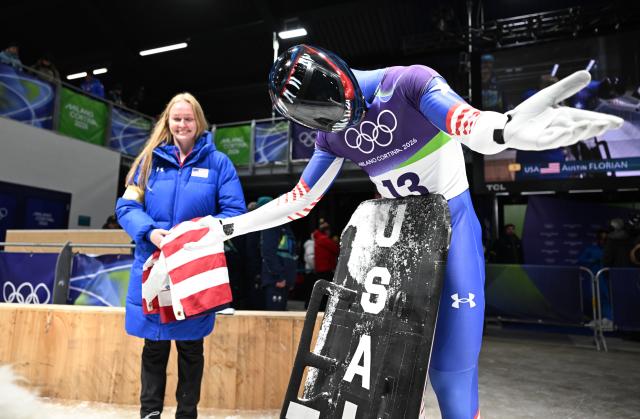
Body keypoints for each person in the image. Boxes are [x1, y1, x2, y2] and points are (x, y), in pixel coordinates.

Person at [168, 45, 622, 418]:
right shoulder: (332, 134)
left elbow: (468, 125)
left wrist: (503, 131)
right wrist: (225, 227)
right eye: (333, 126)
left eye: (346, 117)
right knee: (375, 376)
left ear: (344, 78)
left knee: (449, 372)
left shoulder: (409, 82)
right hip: (394, 245)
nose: (346, 130)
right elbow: (301, 200)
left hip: (452, 229)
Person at [115, 92, 245, 419]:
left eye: (189, 118)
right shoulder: (148, 161)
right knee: (154, 347)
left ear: (198, 121)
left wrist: (196, 235)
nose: (183, 124)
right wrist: (149, 231)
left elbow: (234, 213)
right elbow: (127, 206)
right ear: (168, 122)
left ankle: (187, 414)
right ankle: (150, 414)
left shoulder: (219, 164)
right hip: (153, 266)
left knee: (190, 348)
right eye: (177, 118)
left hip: (194, 270)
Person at [259, 196, 298, 310]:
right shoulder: (272, 226)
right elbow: (268, 254)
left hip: (284, 279)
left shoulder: (283, 226)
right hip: (276, 280)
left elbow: (291, 255)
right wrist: (279, 277)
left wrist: (290, 280)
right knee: (273, 317)